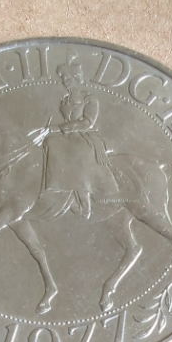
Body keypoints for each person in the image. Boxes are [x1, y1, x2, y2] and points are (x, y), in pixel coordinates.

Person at [40, 56, 120, 221]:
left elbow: (87, 122)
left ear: (76, 77)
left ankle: (85, 203)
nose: (64, 80)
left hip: (87, 136)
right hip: (68, 135)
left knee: (77, 151)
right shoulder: (65, 99)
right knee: (50, 142)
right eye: (63, 77)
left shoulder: (89, 98)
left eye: (67, 77)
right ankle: (57, 188)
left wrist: (61, 128)